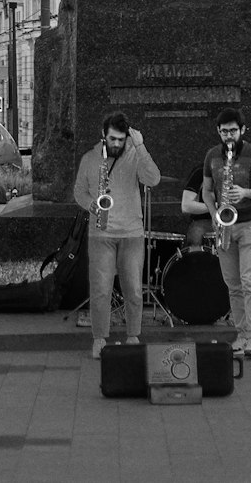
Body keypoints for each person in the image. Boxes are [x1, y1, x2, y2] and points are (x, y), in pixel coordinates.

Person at [73, 112, 160, 359]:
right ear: (103, 135)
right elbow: (79, 191)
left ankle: (133, 336)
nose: (117, 144)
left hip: (131, 233)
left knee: (133, 289)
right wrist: (92, 205)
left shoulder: (134, 154)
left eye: (122, 140)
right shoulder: (90, 158)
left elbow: (153, 179)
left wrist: (140, 146)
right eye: (113, 139)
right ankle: (100, 339)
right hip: (101, 233)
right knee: (101, 290)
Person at [201, 107, 251, 360]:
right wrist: (213, 213)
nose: (229, 135)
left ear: (242, 130)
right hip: (225, 226)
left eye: (233, 130)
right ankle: (241, 334)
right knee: (233, 284)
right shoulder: (212, 155)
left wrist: (245, 193)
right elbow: (207, 191)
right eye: (224, 131)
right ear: (218, 132)